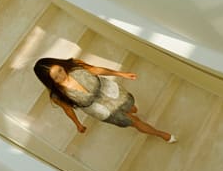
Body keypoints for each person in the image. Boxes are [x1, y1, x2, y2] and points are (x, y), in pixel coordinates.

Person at [33, 57, 176, 143]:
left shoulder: (74, 65)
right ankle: (161, 134)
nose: (61, 75)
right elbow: (68, 109)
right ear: (50, 81)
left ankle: (132, 112)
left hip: (109, 92)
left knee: (132, 108)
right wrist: (77, 124)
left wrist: (121, 74)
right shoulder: (57, 95)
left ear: (60, 64)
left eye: (59, 70)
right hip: (101, 109)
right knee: (134, 121)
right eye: (56, 77)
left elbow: (95, 70)